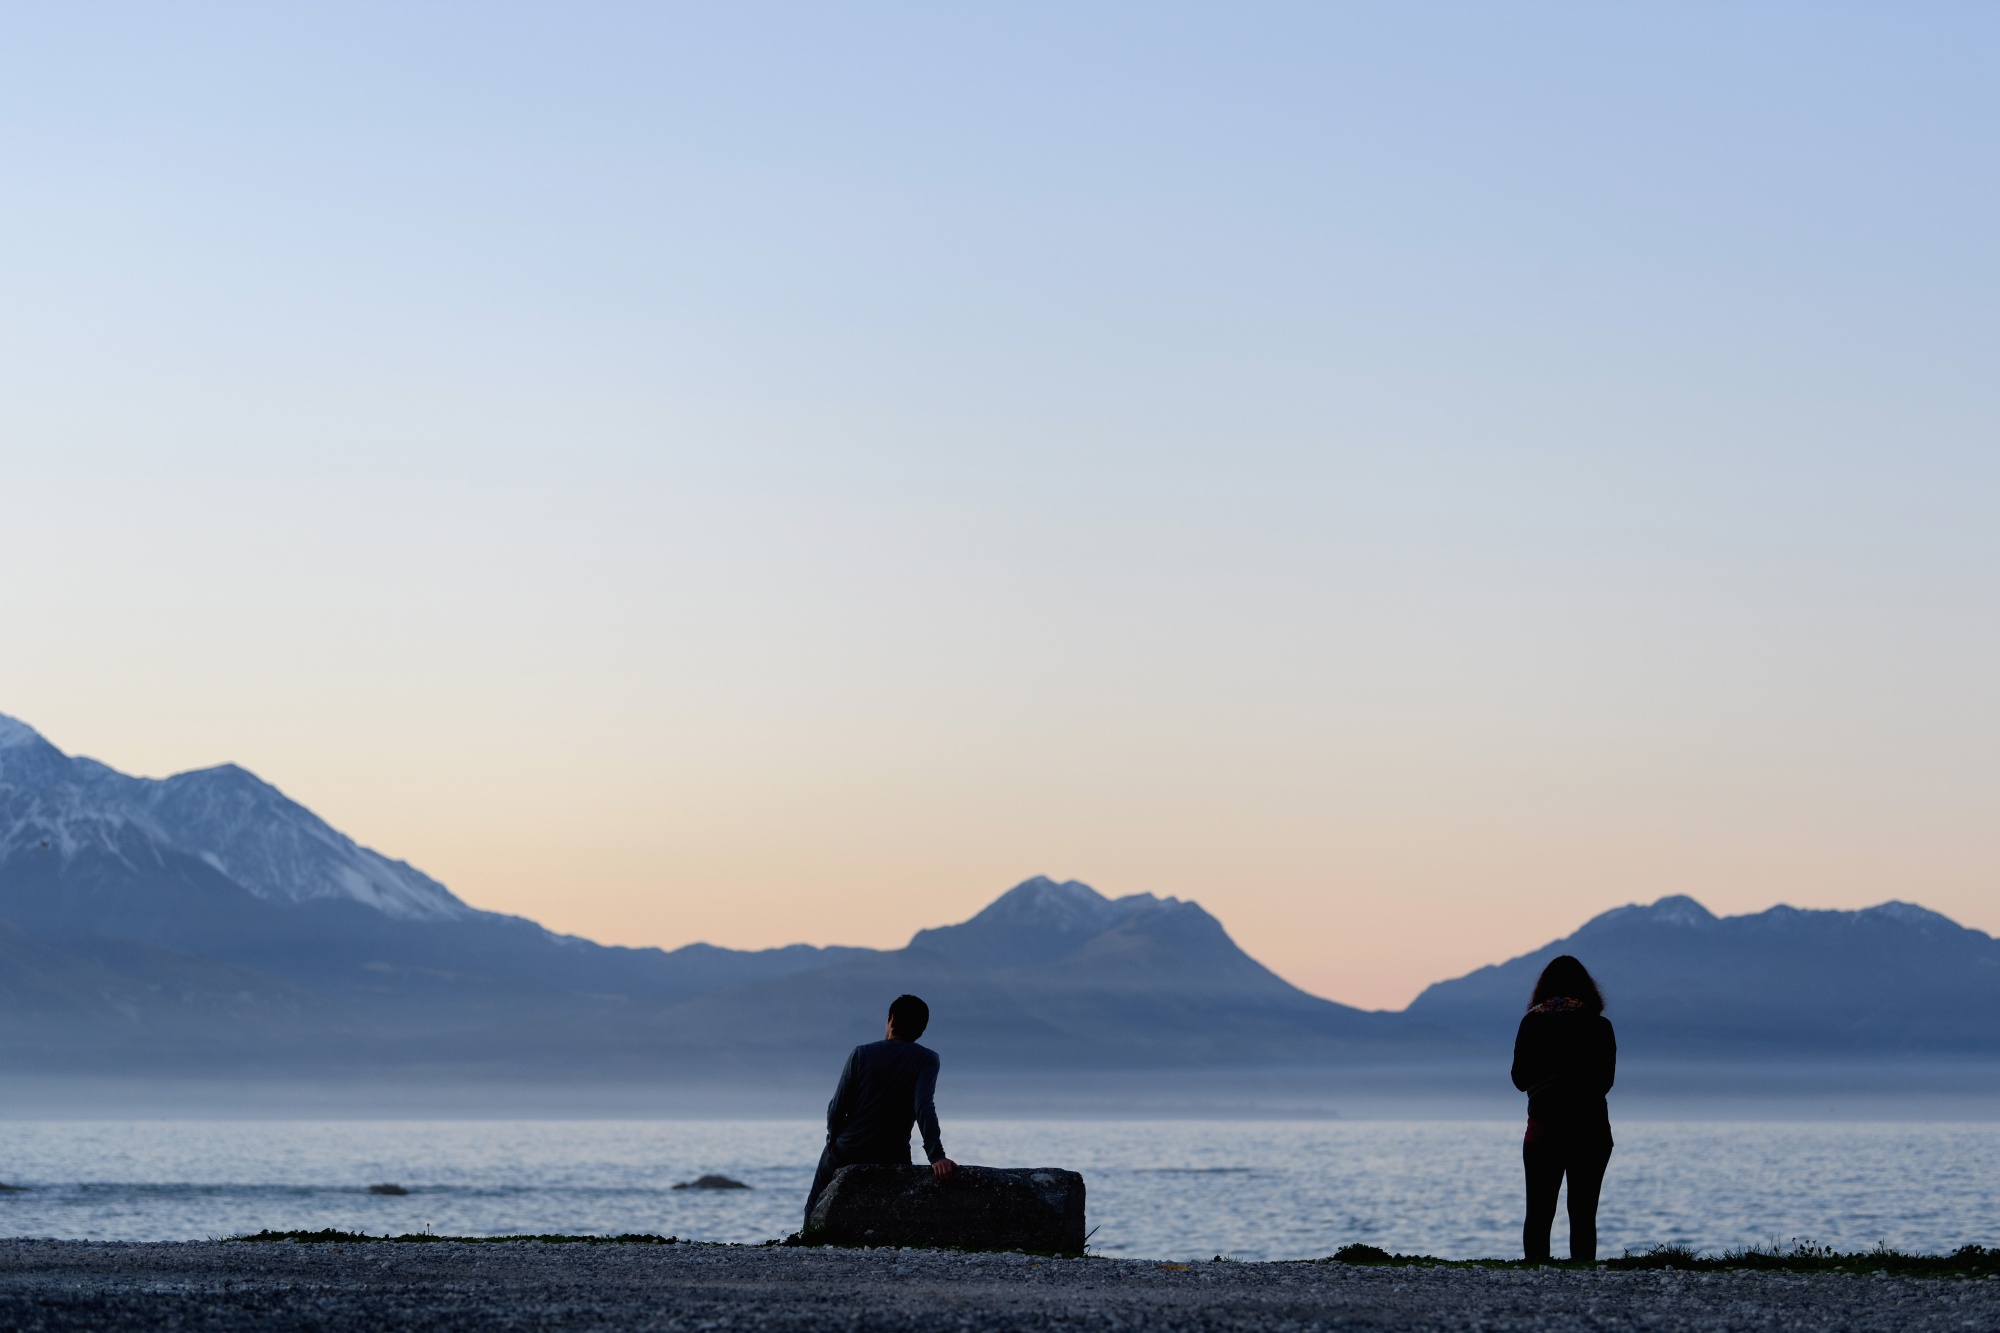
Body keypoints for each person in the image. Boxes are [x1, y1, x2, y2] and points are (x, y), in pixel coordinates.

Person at [802, 993, 958, 1227]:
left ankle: (807, 1243)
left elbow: (836, 1108)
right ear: (921, 1029)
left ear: (891, 1019)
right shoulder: (926, 1059)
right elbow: (923, 1106)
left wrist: (832, 1140)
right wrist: (936, 1156)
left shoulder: (861, 1054)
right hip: (892, 1154)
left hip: (847, 1150)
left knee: (814, 1207)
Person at [1511, 954, 1616, 1264]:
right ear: (1588, 988)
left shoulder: (1532, 1022)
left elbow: (1519, 1080)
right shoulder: (1599, 1026)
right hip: (1592, 1131)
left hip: (1544, 1131)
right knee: (1584, 1213)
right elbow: (1605, 1081)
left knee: (1539, 1213)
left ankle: (1536, 1278)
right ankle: (1583, 1280)